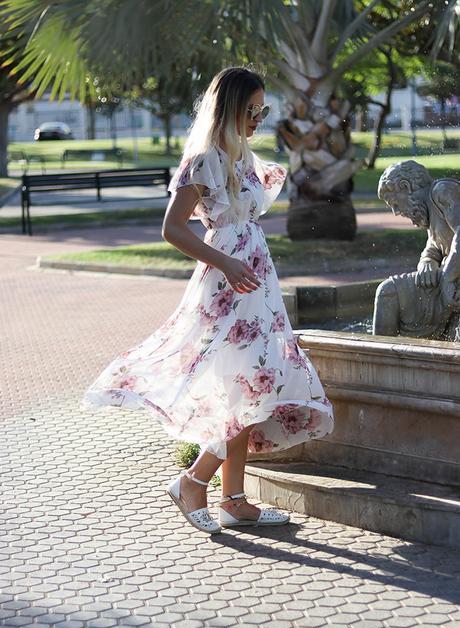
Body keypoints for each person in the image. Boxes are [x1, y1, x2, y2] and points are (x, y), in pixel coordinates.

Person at [81, 66, 334, 534]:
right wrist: (227, 263)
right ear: (230, 108)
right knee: (248, 390)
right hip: (228, 283)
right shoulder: (204, 159)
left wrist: (245, 264)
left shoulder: (241, 155)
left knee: (247, 386)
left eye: (264, 109)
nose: (259, 117)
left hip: (255, 282)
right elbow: (172, 229)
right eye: (251, 109)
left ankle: (234, 499)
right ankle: (193, 481)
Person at [375, 160, 460, 340]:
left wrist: (448, 278)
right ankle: (381, 358)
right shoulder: (429, 213)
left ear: (405, 187)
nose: (396, 212)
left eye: (395, 204)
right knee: (388, 292)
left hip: (452, 280)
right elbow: (434, 245)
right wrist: (427, 262)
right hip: (448, 280)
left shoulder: (442, 191)